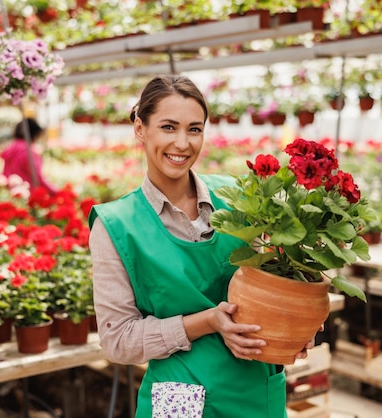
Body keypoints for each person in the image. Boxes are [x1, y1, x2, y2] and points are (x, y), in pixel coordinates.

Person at [88, 74, 315, 417]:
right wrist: (209, 321)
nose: (182, 143)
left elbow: (276, 283)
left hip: (252, 387)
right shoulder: (116, 225)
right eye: (168, 127)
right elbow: (118, 341)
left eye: (194, 129)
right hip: (178, 396)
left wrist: (297, 323)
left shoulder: (238, 196)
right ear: (140, 129)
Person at [0, 117, 58, 195]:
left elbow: (5, 174)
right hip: (28, 194)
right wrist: (57, 192)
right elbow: (38, 178)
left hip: (11, 194)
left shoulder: (11, 148)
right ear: (34, 134)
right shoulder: (28, 152)